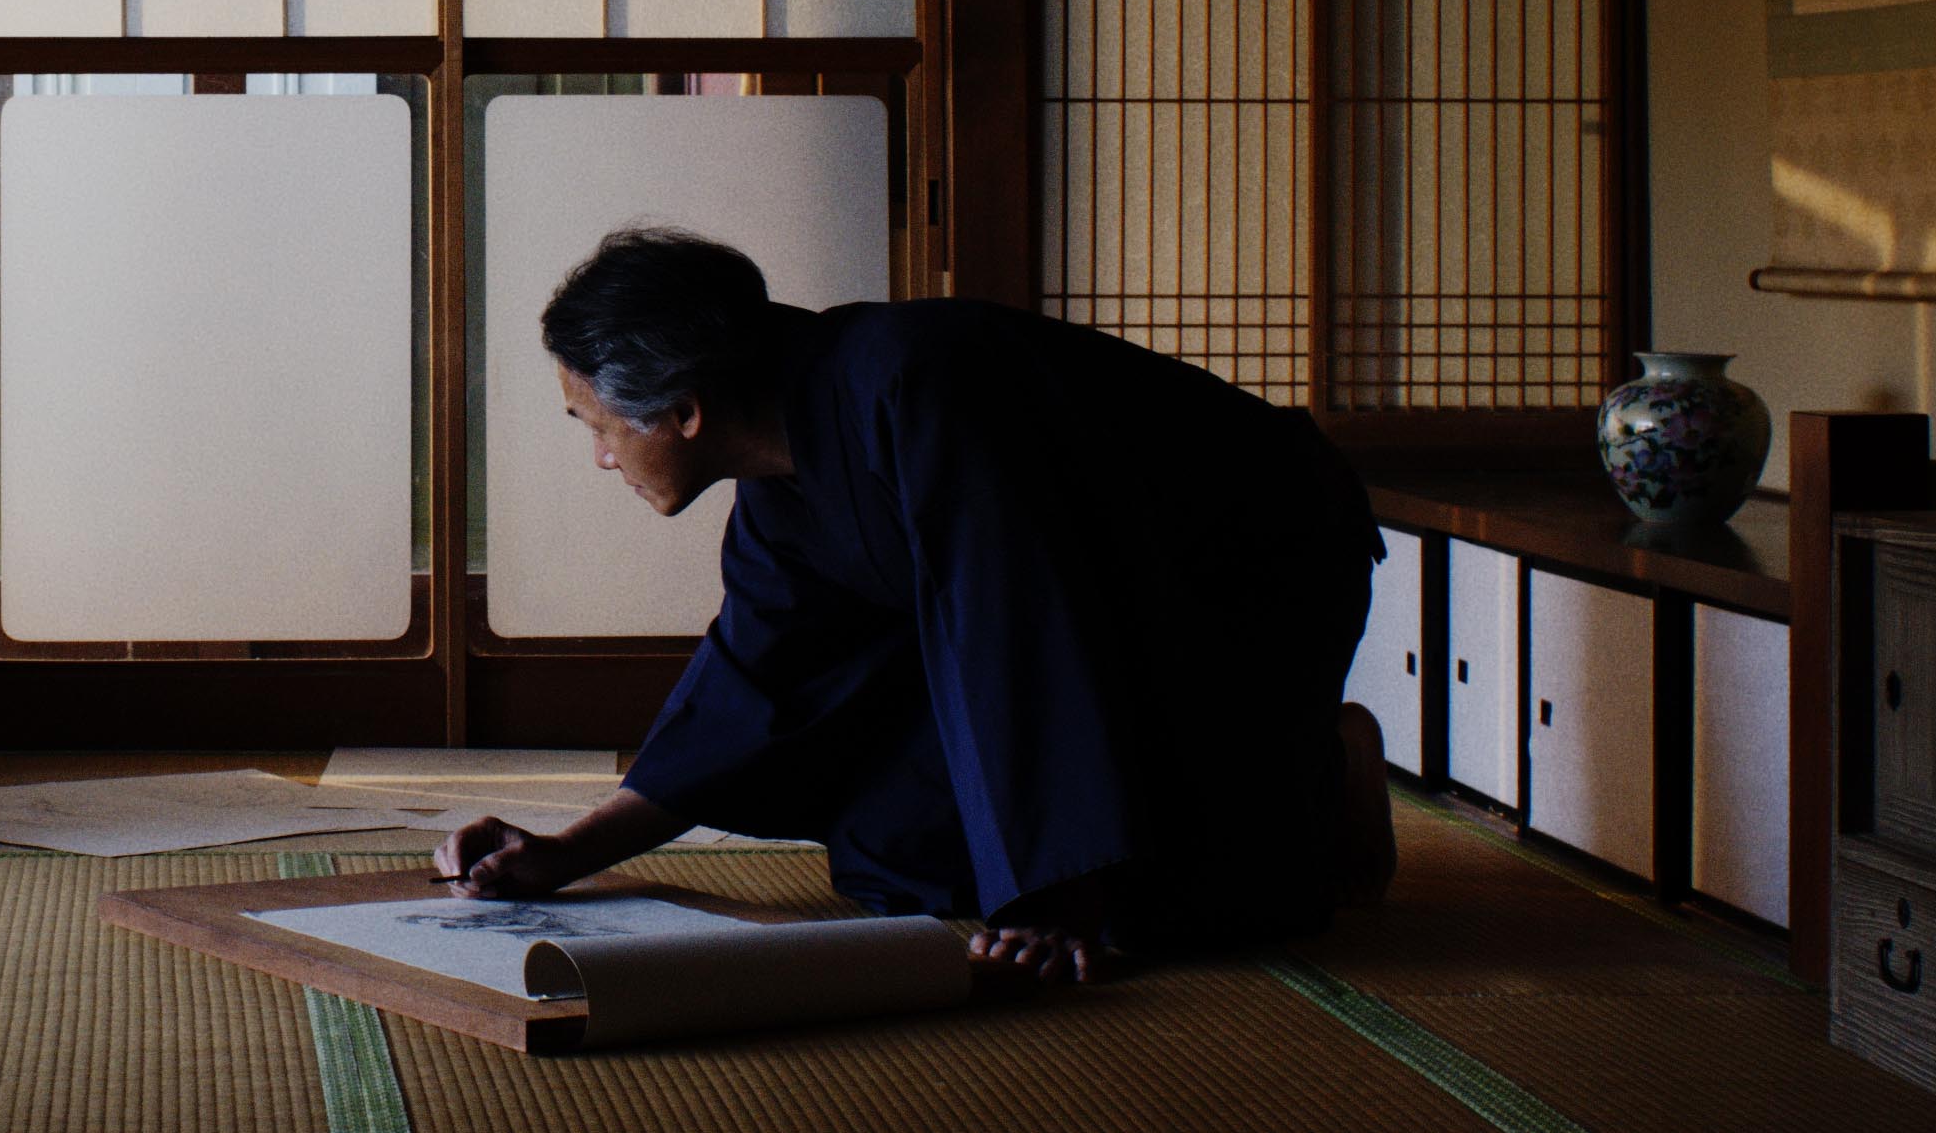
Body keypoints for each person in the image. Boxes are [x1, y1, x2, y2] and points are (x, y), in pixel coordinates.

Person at [434, 230, 1396, 981]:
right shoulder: (783, 479)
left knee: (1142, 910)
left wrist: (1053, 900)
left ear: (685, 411)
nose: (602, 457)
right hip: (1107, 606)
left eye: (599, 428)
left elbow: (1017, 625)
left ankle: (1321, 777)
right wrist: (565, 854)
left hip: (1242, 569)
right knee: (893, 853)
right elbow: (755, 682)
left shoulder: (915, 384)